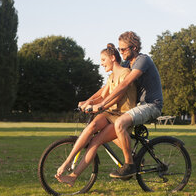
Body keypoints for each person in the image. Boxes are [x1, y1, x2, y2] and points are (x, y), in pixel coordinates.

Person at [55, 43, 136, 186]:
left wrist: (97, 107)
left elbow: (118, 96)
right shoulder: (111, 77)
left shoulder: (126, 73)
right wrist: (87, 103)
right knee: (91, 126)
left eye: (103, 60)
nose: (101, 63)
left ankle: (73, 176)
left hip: (123, 116)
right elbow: (102, 97)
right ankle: (68, 162)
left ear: (112, 58)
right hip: (110, 113)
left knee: (95, 141)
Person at [95, 31, 163, 179]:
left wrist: (103, 104)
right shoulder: (126, 64)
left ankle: (129, 166)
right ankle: (132, 156)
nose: (121, 52)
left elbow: (125, 84)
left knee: (119, 123)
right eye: (119, 49)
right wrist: (90, 101)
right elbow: (109, 85)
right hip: (139, 105)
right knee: (107, 127)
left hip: (151, 105)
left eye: (124, 49)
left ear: (134, 48)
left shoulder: (142, 60)